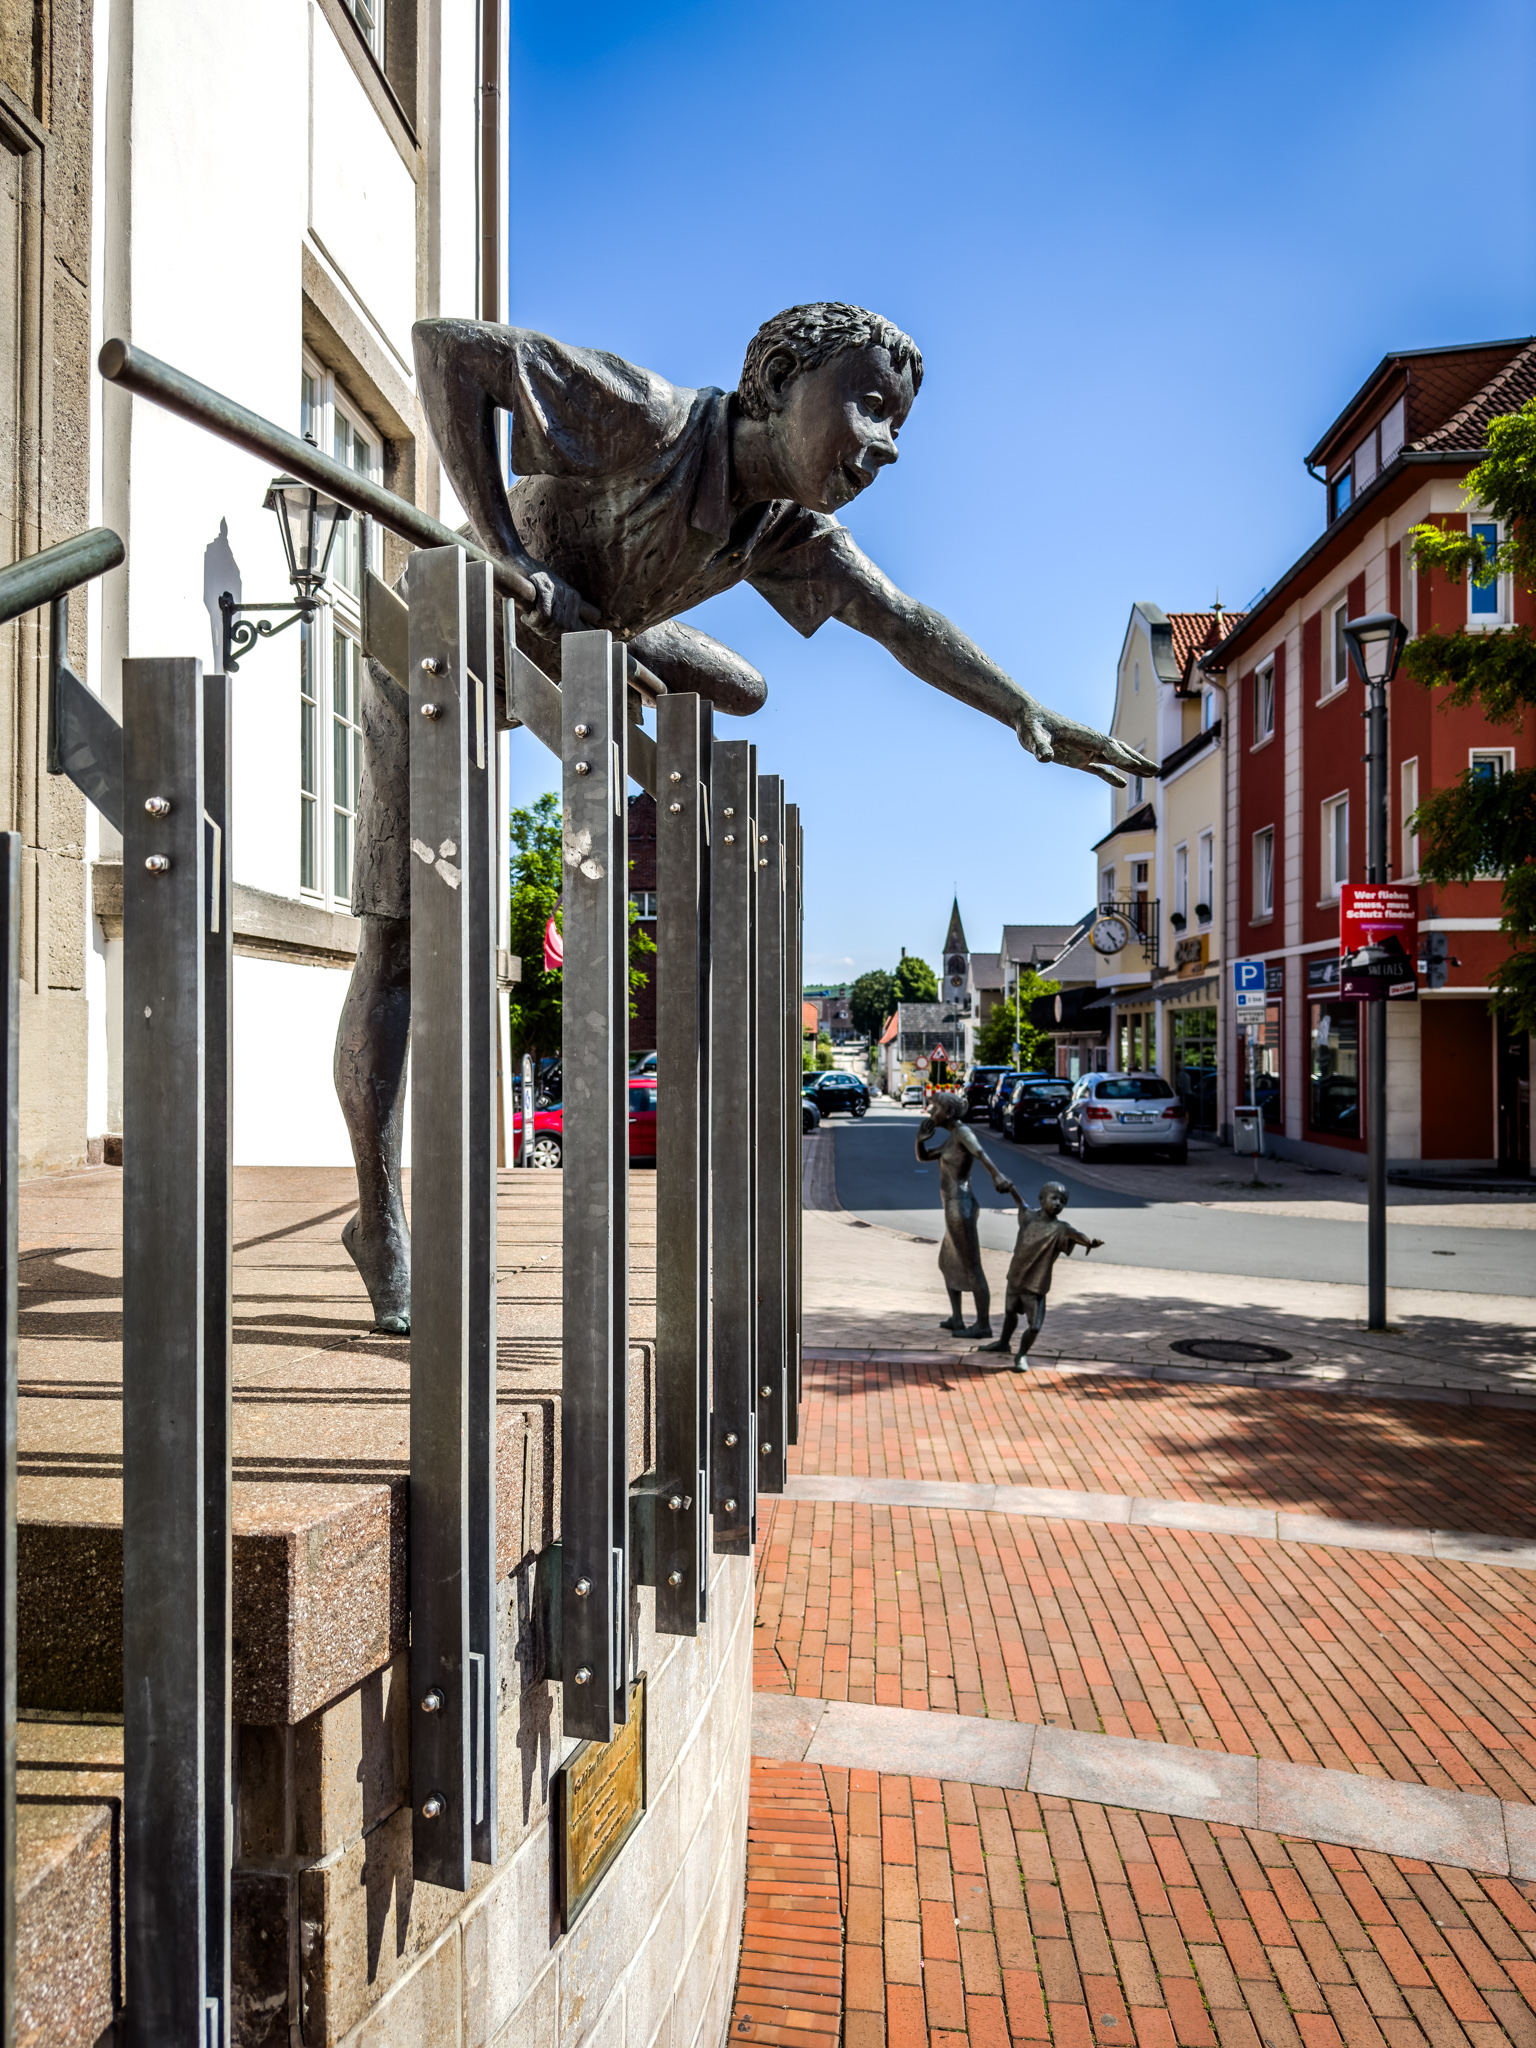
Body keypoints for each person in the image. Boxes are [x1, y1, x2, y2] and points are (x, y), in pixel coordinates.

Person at [336, 302, 1154, 1330]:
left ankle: (622, 639)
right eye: (870, 406)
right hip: (437, 641)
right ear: (775, 383)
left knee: (748, 689)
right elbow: (447, 351)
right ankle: (379, 1217)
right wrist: (512, 555)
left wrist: (1024, 710)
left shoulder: (784, 528)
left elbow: (902, 619)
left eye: (899, 424)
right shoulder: (649, 418)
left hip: (578, 637)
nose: (887, 447)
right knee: (397, 947)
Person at [915, 1093, 1015, 1338]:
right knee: (947, 1261)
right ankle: (957, 1318)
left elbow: (980, 1153)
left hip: (960, 1207)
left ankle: (983, 1325)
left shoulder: (963, 1133)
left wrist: (997, 1175)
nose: (930, 1111)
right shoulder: (951, 1138)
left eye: (935, 1107)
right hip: (953, 1206)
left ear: (948, 1112)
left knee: (972, 1267)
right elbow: (924, 1157)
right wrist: (920, 1140)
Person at [978, 1181, 1102, 1368]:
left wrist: (1090, 1243)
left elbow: (1077, 1235)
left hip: (1036, 1285)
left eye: (1062, 1201)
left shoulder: (1061, 1228)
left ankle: (1021, 1354)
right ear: (1042, 1199)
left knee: (1035, 1326)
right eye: (1054, 1198)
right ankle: (1003, 1343)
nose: (1058, 1203)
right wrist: (1011, 1188)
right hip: (1016, 1278)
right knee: (1010, 1313)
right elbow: (1020, 1203)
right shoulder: (1028, 1217)